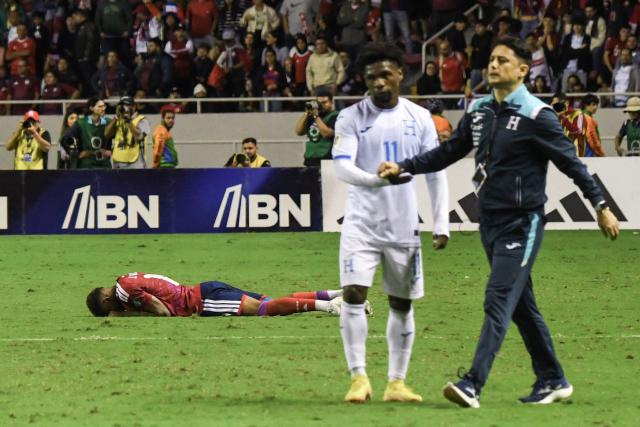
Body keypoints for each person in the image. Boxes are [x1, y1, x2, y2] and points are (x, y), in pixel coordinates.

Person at [379, 36, 620, 408]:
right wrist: (405, 168)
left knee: (498, 298)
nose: (493, 65)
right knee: (521, 305)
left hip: (523, 224)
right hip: (488, 222)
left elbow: (573, 165)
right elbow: (448, 151)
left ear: (523, 70)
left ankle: (473, 383)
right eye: (491, 59)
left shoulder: (538, 116)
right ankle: (553, 379)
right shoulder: (479, 111)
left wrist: (600, 204)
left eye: (503, 60)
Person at [332, 42, 449, 403]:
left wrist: (441, 222)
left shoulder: (420, 118)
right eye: (371, 78)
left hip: (403, 227)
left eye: (385, 75)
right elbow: (342, 166)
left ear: (401, 74)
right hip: (361, 223)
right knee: (353, 293)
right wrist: (376, 180)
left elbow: (435, 170)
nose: (379, 83)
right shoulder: (350, 117)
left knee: (401, 304)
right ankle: (359, 378)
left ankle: (396, 383)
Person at [86, 272, 372, 317]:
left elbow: (161, 310)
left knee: (265, 310)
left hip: (202, 301)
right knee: (270, 300)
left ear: (108, 301)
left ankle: (332, 307)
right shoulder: (125, 277)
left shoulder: (124, 293)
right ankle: (340, 293)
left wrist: (129, 315)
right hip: (204, 287)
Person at [62, 97, 113, 169]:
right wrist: (77, 153)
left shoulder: (109, 122)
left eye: (104, 106)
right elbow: (65, 140)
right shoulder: (81, 123)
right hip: (86, 166)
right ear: (91, 108)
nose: (103, 108)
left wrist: (112, 151)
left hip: (104, 165)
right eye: (100, 106)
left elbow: (119, 138)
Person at [294, 87, 339, 167]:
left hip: (327, 158)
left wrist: (316, 116)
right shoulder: (312, 116)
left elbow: (327, 134)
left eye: (325, 102)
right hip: (310, 157)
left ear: (331, 103)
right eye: (320, 103)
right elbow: (299, 131)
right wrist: (307, 113)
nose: (322, 105)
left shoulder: (336, 116)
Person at [107, 96, 151, 169]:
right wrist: (115, 117)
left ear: (134, 106)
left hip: (136, 161)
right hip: (118, 160)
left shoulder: (143, 120)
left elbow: (139, 137)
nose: (124, 107)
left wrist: (128, 121)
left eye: (127, 105)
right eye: (122, 105)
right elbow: (107, 134)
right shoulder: (118, 119)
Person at [551, 92, 588, 157]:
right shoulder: (554, 116)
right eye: (554, 105)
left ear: (567, 103)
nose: (556, 107)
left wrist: (563, 118)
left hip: (576, 154)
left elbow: (579, 132)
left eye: (557, 104)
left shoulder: (578, 114)